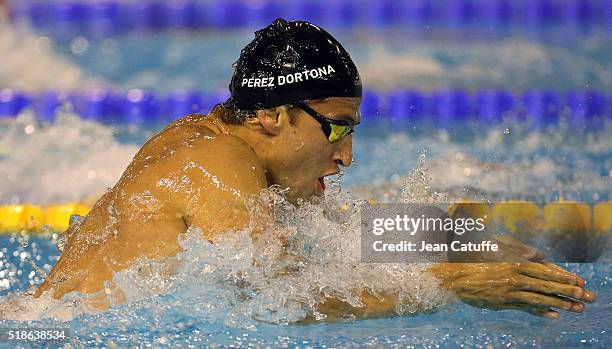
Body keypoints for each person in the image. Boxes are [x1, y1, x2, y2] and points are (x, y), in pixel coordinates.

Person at [34, 19, 595, 320]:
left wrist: (463, 239)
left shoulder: (226, 146)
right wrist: (456, 286)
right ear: (275, 115)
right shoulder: (214, 163)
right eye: (336, 127)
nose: (346, 155)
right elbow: (277, 303)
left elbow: (330, 244)